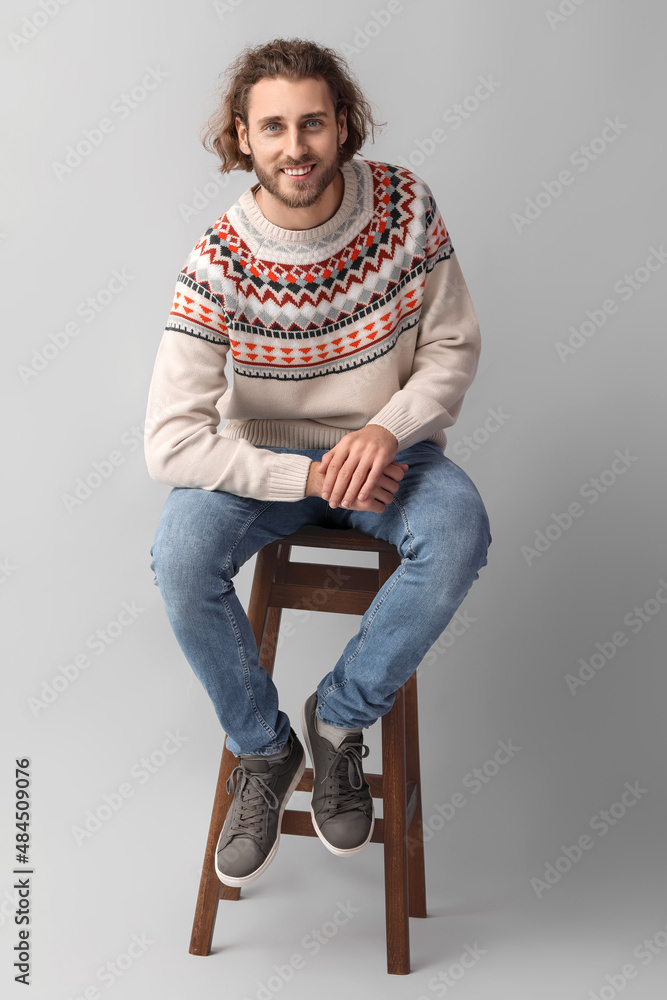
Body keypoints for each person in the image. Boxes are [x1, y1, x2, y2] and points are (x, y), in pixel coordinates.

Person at [144, 37, 491, 888]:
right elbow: (171, 442)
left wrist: (387, 430)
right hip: (270, 463)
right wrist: (307, 476)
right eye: (273, 128)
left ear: (341, 125)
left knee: (458, 528)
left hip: (389, 457)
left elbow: (450, 345)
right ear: (243, 136)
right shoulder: (218, 261)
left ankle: (338, 720)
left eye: (311, 123)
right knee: (180, 556)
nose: (294, 146)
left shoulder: (405, 206)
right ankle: (263, 748)